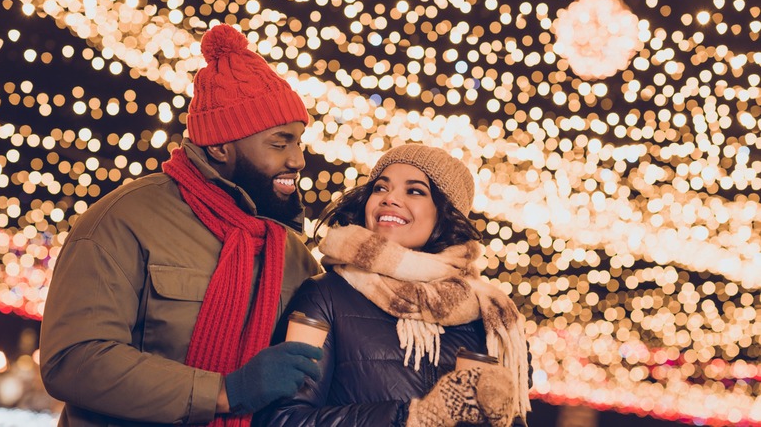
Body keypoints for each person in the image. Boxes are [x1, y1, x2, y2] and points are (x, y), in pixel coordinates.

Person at [39, 24, 324, 426]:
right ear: (221, 146)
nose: (297, 160)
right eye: (280, 143)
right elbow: (73, 360)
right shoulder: (123, 221)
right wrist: (226, 392)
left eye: (299, 142)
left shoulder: (292, 253)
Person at [255, 144, 531, 427]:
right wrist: (406, 419)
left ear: (446, 214)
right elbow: (282, 419)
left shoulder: (488, 316)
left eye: (414, 191)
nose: (389, 199)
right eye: (380, 188)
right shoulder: (326, 296)